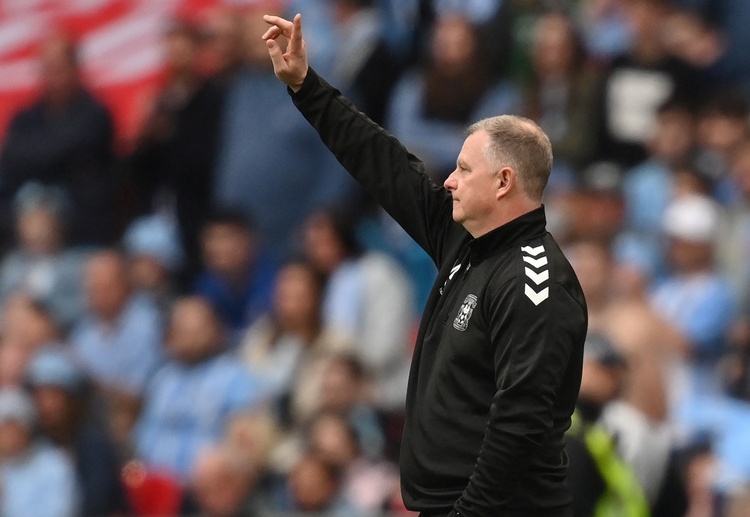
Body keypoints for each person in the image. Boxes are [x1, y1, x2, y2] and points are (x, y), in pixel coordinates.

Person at [262, 13, 588, 516]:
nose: (450, 180)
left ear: (503, 182)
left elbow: (520, 423)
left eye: (463, 169)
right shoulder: (467, 240)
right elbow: (385, 162)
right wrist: (306, 86)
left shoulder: (535, 280)